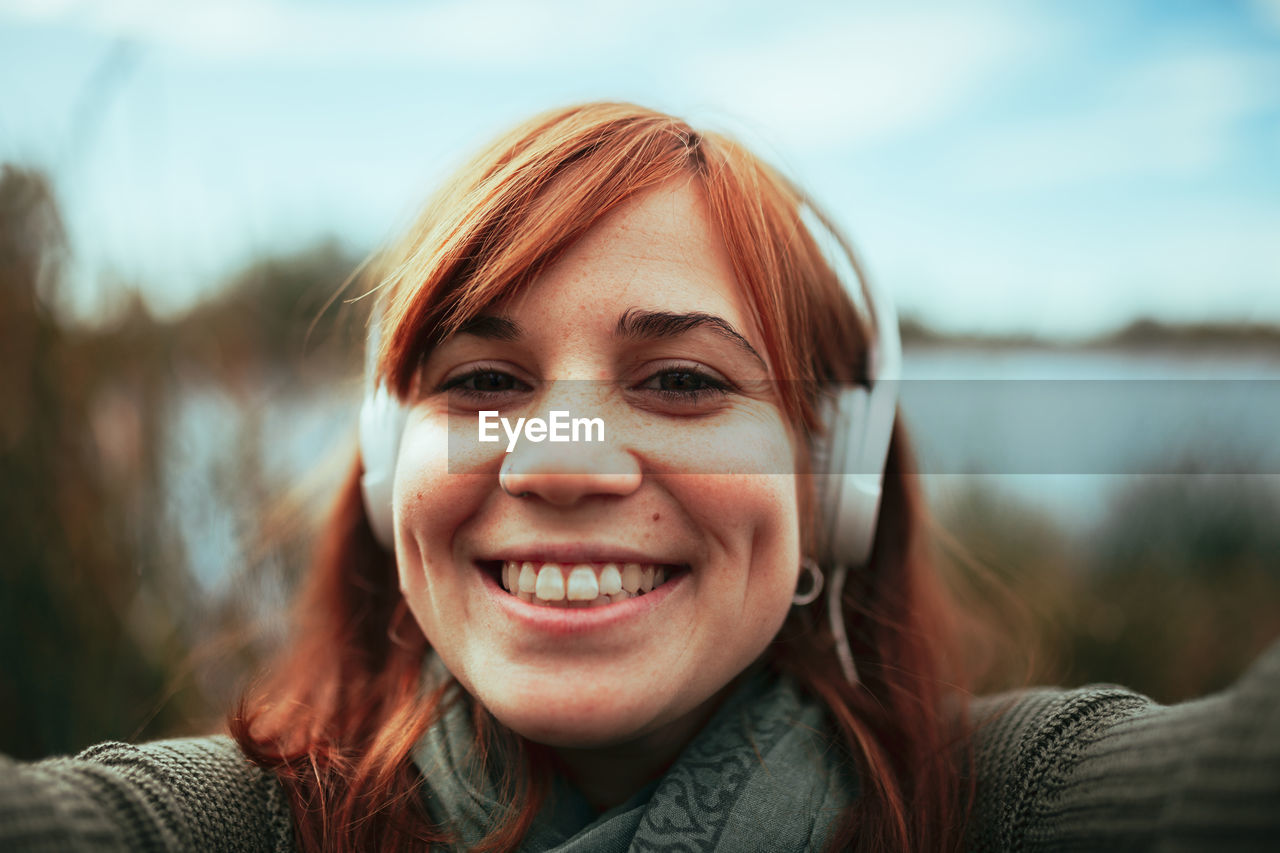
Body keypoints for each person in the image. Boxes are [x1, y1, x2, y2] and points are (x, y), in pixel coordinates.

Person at [2, 101, 1278, 853]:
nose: (565, 467)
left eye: (680, 382)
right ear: (395, 475)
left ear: (826, 473)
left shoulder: (994, 806)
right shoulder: (241, 825)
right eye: (484, 383)